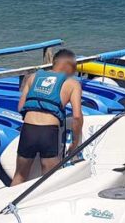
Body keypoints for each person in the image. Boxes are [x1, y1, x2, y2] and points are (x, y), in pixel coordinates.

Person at [12, 49, 83, 185]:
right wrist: (74, 143)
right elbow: (77, 117)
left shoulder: (32, 77)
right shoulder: (72, 84)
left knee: (19, 176)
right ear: (69, 66)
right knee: (49, 182)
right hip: (49, 132)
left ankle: (7, 204)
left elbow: (21, 107)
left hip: (28, 129)